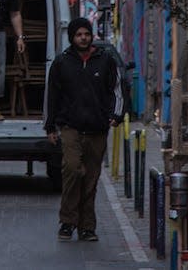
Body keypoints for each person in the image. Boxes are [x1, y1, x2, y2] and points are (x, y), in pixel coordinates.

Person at [45, 17, 123, 242]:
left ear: (91, 36)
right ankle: (67, 222)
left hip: (97, 129)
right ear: (72, 37)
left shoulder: (105, 61)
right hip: (70, 127)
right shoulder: (61, 63)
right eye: (79, 35)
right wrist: (50, 126)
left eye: (86, 34)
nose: (83, 38)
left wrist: (116, 115)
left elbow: (116, 90)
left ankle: (87, 227)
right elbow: (53, 96)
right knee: (71, 171)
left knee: (90, 179)